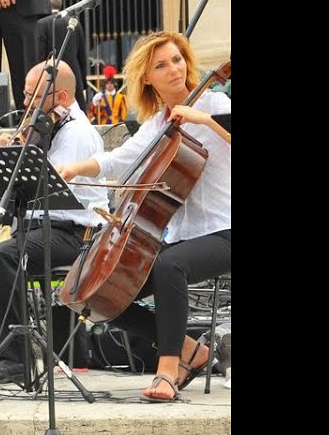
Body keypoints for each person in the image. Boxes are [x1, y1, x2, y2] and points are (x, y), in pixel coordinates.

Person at [58, 31, 230, 403]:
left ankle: (166, 371)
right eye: (161, 65)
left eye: (178, 60)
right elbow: (116, 159)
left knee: (170, 266)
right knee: (95, 292)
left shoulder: (215, 103)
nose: (174, 69)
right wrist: (73, 169)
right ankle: (190, 350)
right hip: (185, 236)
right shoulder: (156, 125)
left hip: (226, 229)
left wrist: (203, 119)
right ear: (147, 78)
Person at [0, 60, 105, 383]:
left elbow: (48, 190)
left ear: (61, 97)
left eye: (33, 97)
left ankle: (15, 359)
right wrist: (5, 161)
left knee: (5, 256)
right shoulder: (43, 129)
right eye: (25, 95)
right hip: (33, 227)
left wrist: (21, 160)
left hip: (72, 232)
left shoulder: (76, 132)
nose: (25, 104)